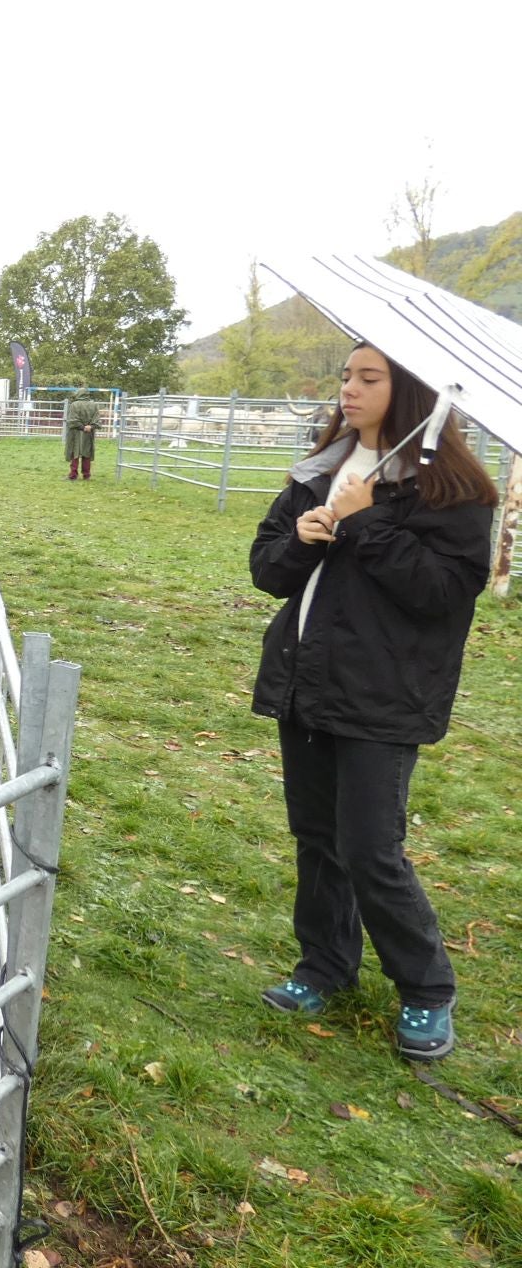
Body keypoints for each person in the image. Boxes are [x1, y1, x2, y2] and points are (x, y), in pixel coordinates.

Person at [247, 343, 496, 1062]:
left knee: (369, 848)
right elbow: (268, 571)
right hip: (307, 679)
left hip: (385, 692)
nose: (348, 390)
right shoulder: (321, 469)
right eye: (347, 376)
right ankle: (325, 966)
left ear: (411, 391)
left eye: (368, 378)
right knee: (317, 836)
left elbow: (443, 594)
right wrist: (302, 536)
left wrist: (365, 523)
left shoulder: (454, 491)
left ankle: (426, 988)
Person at [64, 389, 100, 479]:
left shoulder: (74, 405)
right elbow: (97, 419)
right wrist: (90, 426)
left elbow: (72, 420)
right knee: (86, 452)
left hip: (75, 433)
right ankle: (86, 474)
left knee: (74, 452)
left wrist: (81, 427)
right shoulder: (94, 405)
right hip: (88, 433)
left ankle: (73, 474)